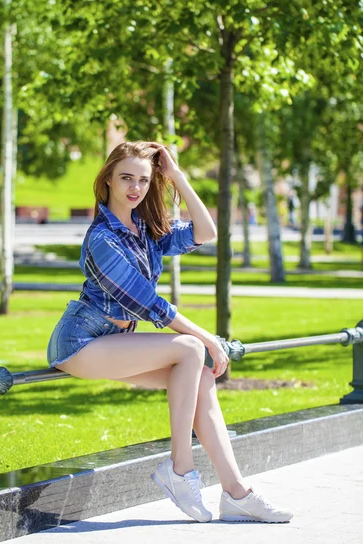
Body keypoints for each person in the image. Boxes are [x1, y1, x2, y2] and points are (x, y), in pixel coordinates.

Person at [47, 141, 293, 524]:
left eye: (144, 180)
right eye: (126, 177)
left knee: (200, 381)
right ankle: (180, 469)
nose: (135, 187)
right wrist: (209, 337)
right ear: (107, 179)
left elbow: (206, 231)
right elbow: (150, 306)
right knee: (192, 350)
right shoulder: (102, 239)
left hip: (117, 343)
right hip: (81, 343)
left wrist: (176, 176)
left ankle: (236, 493)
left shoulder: (146, 229)